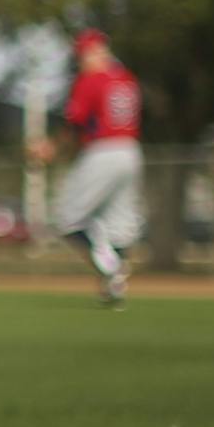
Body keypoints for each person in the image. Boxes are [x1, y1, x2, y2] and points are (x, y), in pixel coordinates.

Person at [31, 28, 144, 307]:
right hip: (130, 151)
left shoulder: (91, 79)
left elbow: (75, 122)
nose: (82, 60)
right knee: (120, 227)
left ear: (94, 52)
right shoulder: (126, 79)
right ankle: (114, 290)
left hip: (103, 150)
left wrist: (51, 148)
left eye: (84, 54)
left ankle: (110, 269)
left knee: (68, 218)